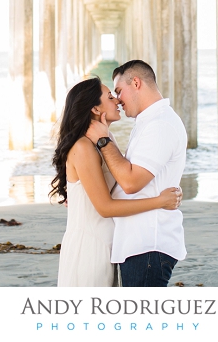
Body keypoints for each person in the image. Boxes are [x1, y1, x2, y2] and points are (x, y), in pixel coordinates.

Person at [51, 76, 182, 287]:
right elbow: (105, 207)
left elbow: (121, 181)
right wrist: (160, 201)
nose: (118, 101)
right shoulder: (84, 147)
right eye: (111, 96)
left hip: (107, 244)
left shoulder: (105, 139)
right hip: (89, 246)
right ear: (95, 108)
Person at [84, 60, 188, 287]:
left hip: (149, 244)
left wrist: (103, 140)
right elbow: (124, 177)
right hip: (140, 242)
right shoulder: (149, 122)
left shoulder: (159, 125)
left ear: (137, 83)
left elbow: (130, 183)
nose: (118, 99)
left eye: (119, 91)